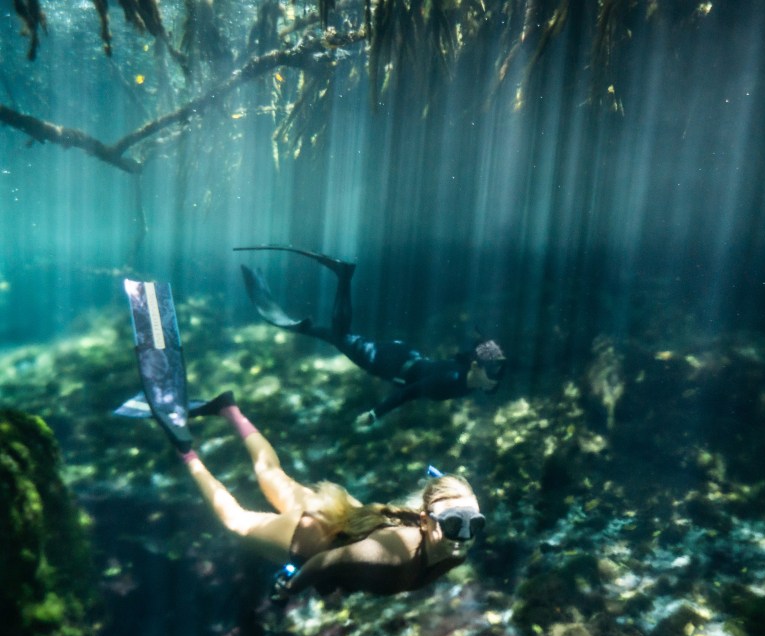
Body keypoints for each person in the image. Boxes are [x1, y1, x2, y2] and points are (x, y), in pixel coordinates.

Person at [115, 279, 485, 599]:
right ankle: (186, 451)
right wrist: (291, 588)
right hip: (312, 538)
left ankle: (230, 409)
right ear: (426, 520)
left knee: (272, 474)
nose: (464, 535)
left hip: (336, 511)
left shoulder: (452, 546)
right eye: (455, 523)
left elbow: (351, 564)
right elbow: (327, 561)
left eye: (474, 524)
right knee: (237, 521)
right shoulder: (399, 550)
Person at [236, 246, 507, 426]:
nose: (493, 385)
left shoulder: (465, 374)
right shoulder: (453, 380)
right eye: (492, 377)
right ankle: (344, 275)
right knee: (342, 336)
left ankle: (298, 321)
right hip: (388, 362)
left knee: (334, 335)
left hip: (402, 354)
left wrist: (488, 344)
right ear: (476, 368)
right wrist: (375, 415)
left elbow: (474, 348)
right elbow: (409, 393)